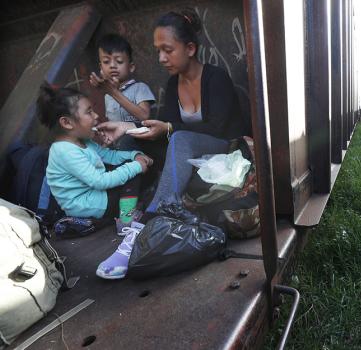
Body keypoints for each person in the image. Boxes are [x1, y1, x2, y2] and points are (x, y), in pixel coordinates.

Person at [97, 8, 248, 222]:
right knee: (129, 141)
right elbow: (168, 126)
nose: (161, 58)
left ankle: (157, 214)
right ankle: (124, 212)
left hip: (225, 148)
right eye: (158, 51)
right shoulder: (172, 84)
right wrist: (127, 128)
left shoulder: (216, 78)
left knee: (180, 138)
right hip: (186, 149)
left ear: (190, 48)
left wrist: (169, 129)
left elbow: (216, 129)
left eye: (167, 50)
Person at [36, 82, 153, 279]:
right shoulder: (63, 151)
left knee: (127, 169)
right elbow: (99, 182)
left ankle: (119, 211)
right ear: (67, 123)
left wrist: (135, 155)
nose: (96, 116)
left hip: (94, 199)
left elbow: (109, 157)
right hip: (88, 204)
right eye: (89, 112)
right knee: (132, 177)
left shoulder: (82, 141)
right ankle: (125, 220)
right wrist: (136, 167)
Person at [89, 33, 155, 150]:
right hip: (118, 146)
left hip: (140, 144)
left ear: (131, 67)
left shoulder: (139, 88)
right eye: (106, 62)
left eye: (119, 61)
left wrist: (114, 93)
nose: (113, 66)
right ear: (100, 67)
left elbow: (145, 116)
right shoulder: (107, 96)